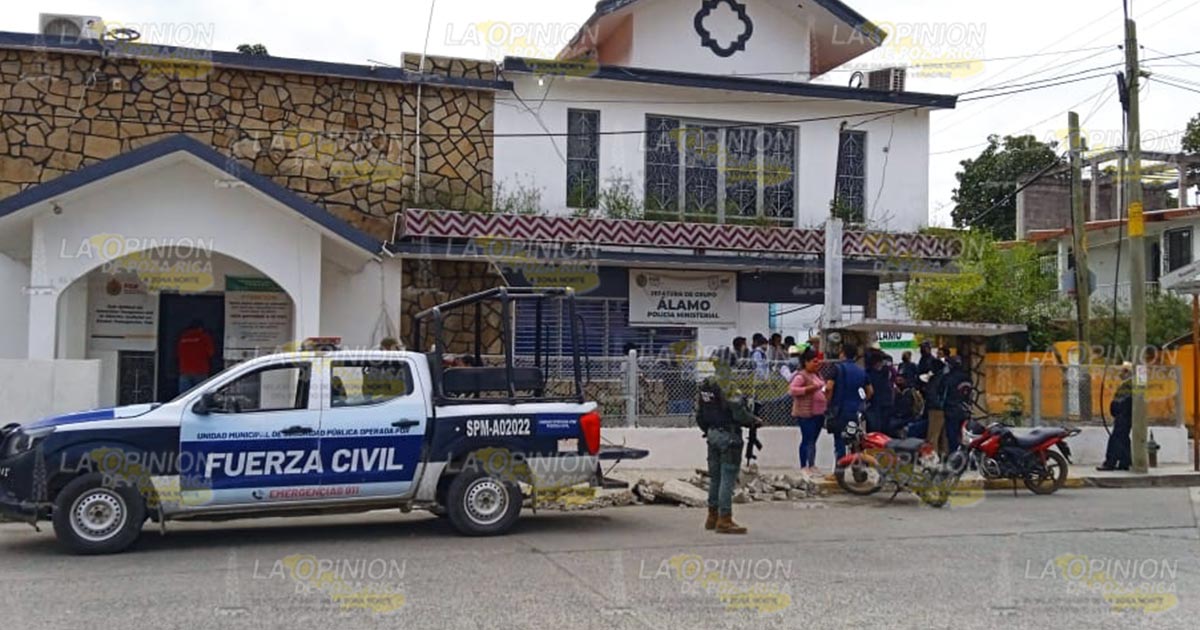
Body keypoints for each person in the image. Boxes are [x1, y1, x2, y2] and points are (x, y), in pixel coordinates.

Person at [696, 363, 759, 534]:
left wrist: (709, 430)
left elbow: (699, 415)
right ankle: (725, 519)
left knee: (715, 478)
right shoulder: (728, 387)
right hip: (729, 436)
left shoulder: (706, 385)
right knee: (727, 478)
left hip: (712, 435)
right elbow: (739, 413)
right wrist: (753, 420)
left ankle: (712, 516)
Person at [824, 342, 872, 462]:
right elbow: (870, 391)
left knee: (840, 441)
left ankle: (840, 467)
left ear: (842, 354)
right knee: (854, 439)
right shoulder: (861, 371)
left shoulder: (836, 368)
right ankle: (857, 465)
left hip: (840, 411)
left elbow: (829, 388)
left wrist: (827, 403)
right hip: (856, 411)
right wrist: (862, 400)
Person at [790, 348, 826, 474]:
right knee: (807, 439)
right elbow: (792, 390)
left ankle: (812, 464)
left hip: (819, 413)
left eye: (818, 361)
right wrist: (810, 388)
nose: (817, 364)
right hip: (806, 413)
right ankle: (803, 465)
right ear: (806, 362)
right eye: (814, 361)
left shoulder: (818, 375)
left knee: (813, 440)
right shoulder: (801, 376)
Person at [1099, 363, 1134, 471]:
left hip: (1123, 416)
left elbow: (1124, 401)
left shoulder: (1128, 384)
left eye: (1122, 371)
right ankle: (1125, 462)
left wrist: (1116, 409)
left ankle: (1110, 462)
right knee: (1123, 439)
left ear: (1127, 372)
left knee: (1116, 439)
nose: (1120, 373)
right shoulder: (1128, 384)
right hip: (1124, 416)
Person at [941, 355, 971, 454]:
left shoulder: (948, 378)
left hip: (951, 410)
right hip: (965, 409)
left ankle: (954, 456)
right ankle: (964, 454)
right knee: (964, 435)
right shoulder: (966, 377)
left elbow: (943, 393)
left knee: (952, 436)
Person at [865, 344, 896, 434]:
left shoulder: (869, 373)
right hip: (886, 400)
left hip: (875, 401)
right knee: (885, 425)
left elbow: (870, 390)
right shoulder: (886, 370)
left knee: (875, 427)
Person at [177, 319, 215, 393]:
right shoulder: (204, 337)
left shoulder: (183, 337)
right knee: (200, 394)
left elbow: (178, 353)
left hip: (185, 370)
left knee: (185, 395)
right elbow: (211, 353)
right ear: (200, 328)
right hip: (200, 370)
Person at [923, 356, 949, 455]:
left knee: (933, 434)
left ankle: (933, 456)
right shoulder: (945, 377)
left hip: (935, 409)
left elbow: (932, 394)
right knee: (943, 434)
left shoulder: (935, 379)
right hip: (944, 408)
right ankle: (944, 454)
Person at [892, 373, 925, 438]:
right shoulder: (898, 392)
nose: (898, 382)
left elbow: (906, 408)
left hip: (908, 417)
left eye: (900, 380)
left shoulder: (909, 393)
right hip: (899, 416)